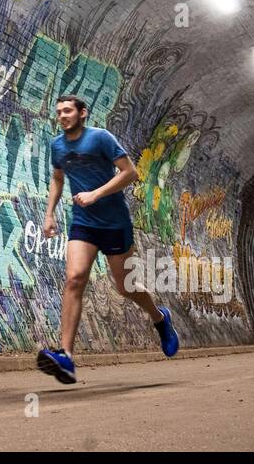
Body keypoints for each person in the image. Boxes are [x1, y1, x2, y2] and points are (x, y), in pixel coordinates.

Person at [37, 95, 179, 384]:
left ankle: (160, 318)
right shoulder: (57, 146)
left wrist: (95, 194)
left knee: (125, 288)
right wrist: (49, 214)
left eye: (68, 111)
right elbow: (58, 179)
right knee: (74, 278)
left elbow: (131, 173)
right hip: (83, 223)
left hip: (114, 223)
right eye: (59, 112)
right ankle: (65, 355)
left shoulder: (101, 138)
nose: (62, 116)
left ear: (82, 113)